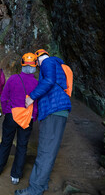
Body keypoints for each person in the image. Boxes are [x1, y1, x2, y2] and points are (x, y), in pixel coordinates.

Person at [15, 49, 72, 195]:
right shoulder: (56, 63)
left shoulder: (47, 62)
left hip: (53, 109)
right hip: (59, 110)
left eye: (36, 63)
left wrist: (31, 97)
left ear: (38, 58)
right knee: (50, 150)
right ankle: (42, 183)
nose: (37, 66)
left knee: (45, 150)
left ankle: (35, 189)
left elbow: (48, 81)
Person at [0, 53, 38, 185]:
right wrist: (33, 116)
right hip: (27, 118)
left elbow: (4, 97)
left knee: (6, 142)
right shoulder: (36, 83)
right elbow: (36, 104)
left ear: (22, 65)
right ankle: (16, 175)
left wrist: (7, 111)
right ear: (34, 66)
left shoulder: (13, 79)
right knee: (22, 146)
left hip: (12, 116)